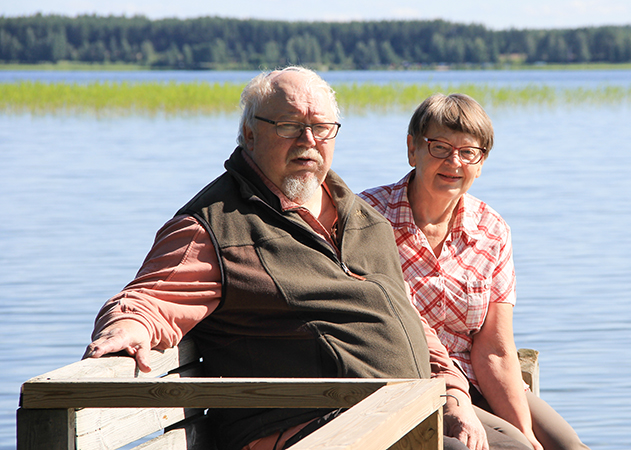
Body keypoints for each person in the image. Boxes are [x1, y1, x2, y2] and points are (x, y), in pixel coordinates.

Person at [83, 68, 502, 450]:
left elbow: (406, 318)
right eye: (289, 126)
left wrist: (453, 393)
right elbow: (150, 298)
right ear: (249, 134)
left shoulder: (364, 218)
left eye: (321, 128)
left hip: (405, 412)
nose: (308, 141)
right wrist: (127, 325)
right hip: (315, 428)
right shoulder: (217, 227)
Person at [359, 93, 591, 450]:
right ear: (412, 149)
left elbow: (495, 350)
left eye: (469, 152)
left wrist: (526, 432)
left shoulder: (492, 230)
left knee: (566, 446)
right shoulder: (368, 217)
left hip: (479, 378)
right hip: (406, 382)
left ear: (481, 163)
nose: (454, 162)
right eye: (439, 147)